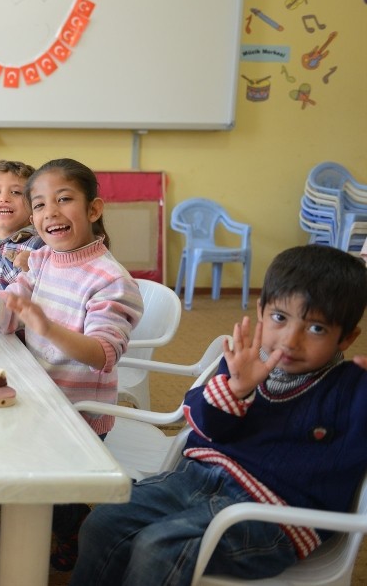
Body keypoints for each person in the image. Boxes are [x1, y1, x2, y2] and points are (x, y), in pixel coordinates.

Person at [72, 245, 367, 586]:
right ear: (261, 310)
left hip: (277, 515)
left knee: (159, 548)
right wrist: (236, 389)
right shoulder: (243, 359)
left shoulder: (352, 390)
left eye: (316, 329)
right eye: (279, 318)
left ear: (347, 337)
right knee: (104, 522)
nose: (290, 340)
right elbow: (202, 424)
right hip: (196, 477)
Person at [0, 157, 143, 570]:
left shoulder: (112, 280)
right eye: (39, 204)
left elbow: (103, 354)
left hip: (76, 411)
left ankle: (73, 524)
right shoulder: (43, 260)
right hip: (36, 394)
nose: (49, 212)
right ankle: (33, 508)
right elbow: (9, 311)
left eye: (64, 200)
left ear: (93, 209)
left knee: (50, 491)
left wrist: (47, 328)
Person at [0, 159, 44, 291]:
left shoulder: (40, 244)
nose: (4, 198)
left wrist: (38, 266)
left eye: (16, 192)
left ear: (34, 206)